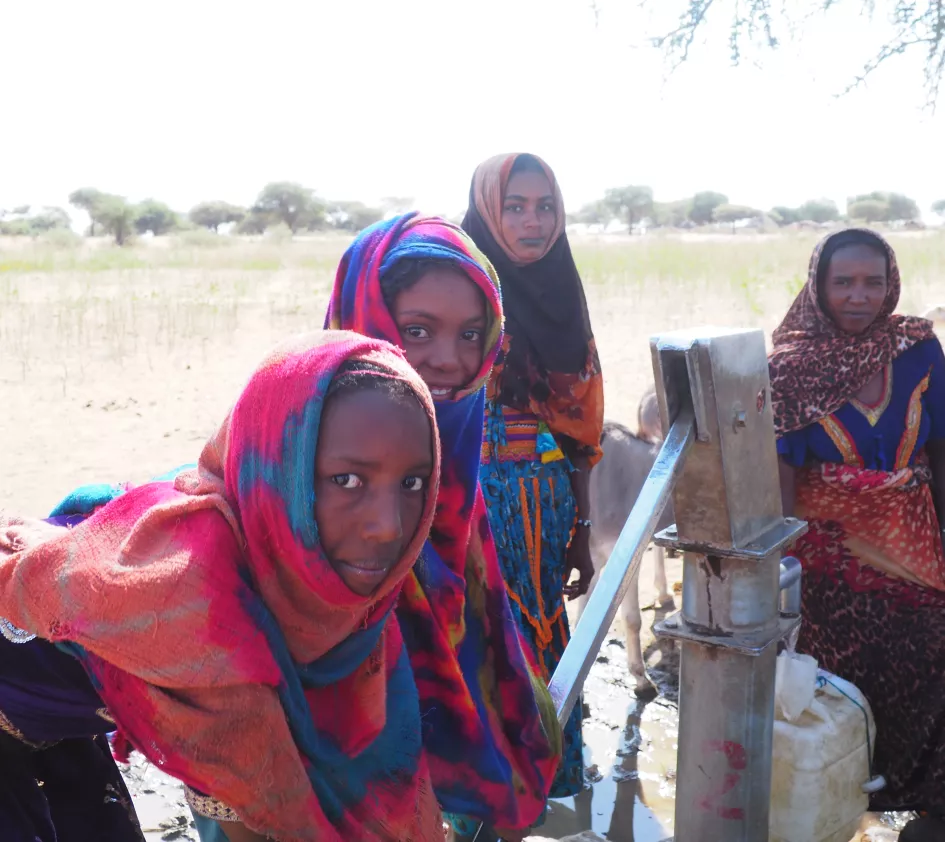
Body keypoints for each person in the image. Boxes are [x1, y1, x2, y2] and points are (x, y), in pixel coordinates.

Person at [0, 330, 448, 842]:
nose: (389, 526)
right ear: (278, 470)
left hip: (57, 728)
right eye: (347, 481)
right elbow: (260, 821)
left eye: (413, 483)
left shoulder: (292, 557)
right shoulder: (195, 602)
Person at [325, 212, 561, 840]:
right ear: (366, 315)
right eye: (418, 330)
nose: (449, 361)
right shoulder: (304, 440)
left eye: (471, 334)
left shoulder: (454, 441)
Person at [771, 228, 945, 838]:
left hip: (912, 539)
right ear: (818, 286)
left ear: (890, 284)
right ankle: (836, 801)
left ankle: (925, 802)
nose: (859, 296)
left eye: (873, 282)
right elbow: (782, 471)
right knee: (834, 682)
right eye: (842, 282)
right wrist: (783, 563)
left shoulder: (919, 350)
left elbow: (941, 448)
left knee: (931, 655)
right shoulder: (789, 368)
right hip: (826, 551)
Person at [461, 153, 604, 800]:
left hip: (543, 512)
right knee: (472, 640)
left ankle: (532, 788)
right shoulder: (455, 282)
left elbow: (578, 434)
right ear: (488, 209)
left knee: (538, 636)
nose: (532, 220)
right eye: (514, 206)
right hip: (463, 505)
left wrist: (581, 528)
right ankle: (474, 796)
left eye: (544, 206)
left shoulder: (561, 290)